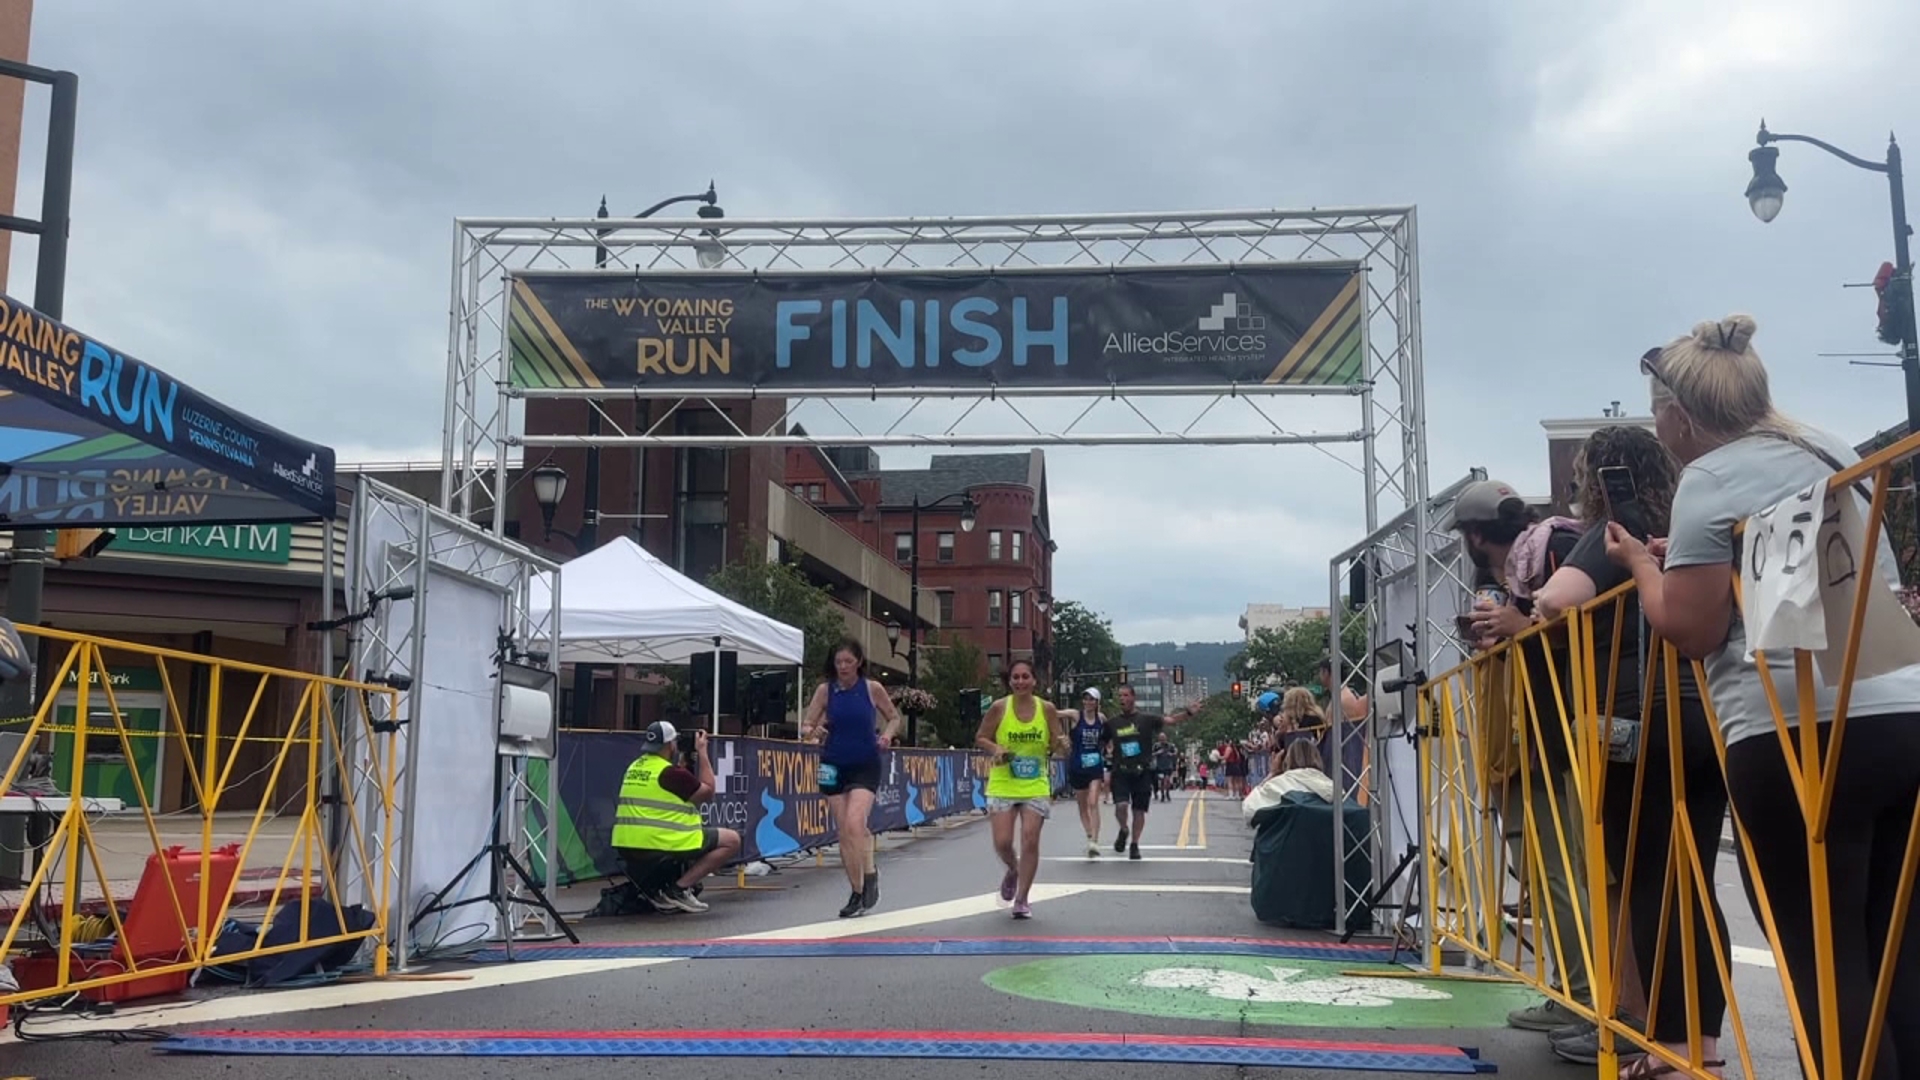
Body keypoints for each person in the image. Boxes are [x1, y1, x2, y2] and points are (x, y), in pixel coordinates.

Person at [1608, 315, 1920, 1080]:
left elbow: (1691, 627)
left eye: (1656, 412)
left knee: (1823, 956)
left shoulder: (1707, 479)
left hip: (1790, 726)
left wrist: (1646, 570)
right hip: (1899, 707)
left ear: (1679, 415)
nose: (1657, 427)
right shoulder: (1827, 447)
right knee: (1899, 951)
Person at [1534, 424, 1721, 1070]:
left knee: (1643, 880)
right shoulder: (1692, 522)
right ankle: (1704, 1045)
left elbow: (1556, 602)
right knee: (1697, 883)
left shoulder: (1612, 534)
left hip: (1635, 716)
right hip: (1710, 707)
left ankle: (1656, 1036)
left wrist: (1538, 603)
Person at [1445, 478, 1595, 1039]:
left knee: (1558, 873)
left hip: (1549, 740)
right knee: (1548, 872)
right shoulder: (1530, 566)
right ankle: (1573, 992)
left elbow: (1587, 630)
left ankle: (1580, 998)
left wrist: (1523, 627)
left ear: (1477, 535)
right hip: (1536, 740)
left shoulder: (1551, 554)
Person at [801, 638, 903, 919]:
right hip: (832, 763)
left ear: (859, 662)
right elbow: (806, 725)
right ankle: (857, 891)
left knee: (855, 822)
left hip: (865, 762)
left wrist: (886, 735)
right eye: (838, 662)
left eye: (848, 661)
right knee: (844, 831)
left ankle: (869, 875)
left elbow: (894, 718)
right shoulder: (826, 691)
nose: (843, 667)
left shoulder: (872, 689)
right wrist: (814, 730)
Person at [610, 721, 742, 914]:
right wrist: (703, 752)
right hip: (659, 842)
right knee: (731, 840)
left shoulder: (635, 767)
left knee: (699, 836)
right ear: (671, 745)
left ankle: (667, 888)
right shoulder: (669, 773)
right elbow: (708, 792)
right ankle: (678, 890)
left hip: (627, 843)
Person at [976, 659, 1069, 919]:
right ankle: (1013, 869)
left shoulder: (1046, 709)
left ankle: (1022, 898)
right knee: (1003, 842)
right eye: (1015, 677)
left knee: (1030, 838)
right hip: (1004, 780)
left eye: (1025, 677)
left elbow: (1055, 743)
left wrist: (1063, 744)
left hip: (1035, 781)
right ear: (1010, 681)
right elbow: (981, 737)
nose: (1020, 682)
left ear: (1034, 681)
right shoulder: (999, 707)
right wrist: (996, 749)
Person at [1102, 685, 1180, 860]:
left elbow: (1170, 721)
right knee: (1121, 806)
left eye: (1126, 695)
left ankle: (1135, 844)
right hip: (1121, 771)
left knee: (1139, 811)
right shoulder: (1112, 723)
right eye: (1120, 695)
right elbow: (1101, 742)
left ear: (1133, 698)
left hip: (1142, 772)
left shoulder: (1146, 719)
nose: (1122, 698)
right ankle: (1124, 829)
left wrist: (1189, 713)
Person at [1061, 688, 1109, 857]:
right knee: (1082, 805)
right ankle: (1089, 835)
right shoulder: (1076, 715)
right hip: (1077, 766)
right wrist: (1060, 737)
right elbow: (1054, 713)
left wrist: (1110, 749)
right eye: (1086, 699)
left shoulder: (1101, 719)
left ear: (1097, 702)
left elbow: (1108, 736)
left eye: (1092, 699)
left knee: (1093, 801)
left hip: (1095, 766)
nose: (1088, 702)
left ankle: (1095, 841)